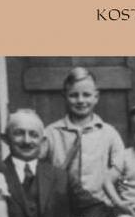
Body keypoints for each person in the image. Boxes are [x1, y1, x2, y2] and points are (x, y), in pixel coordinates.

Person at [44, 66, 124, 203]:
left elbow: (120, 167)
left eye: (86, 95)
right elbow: (38, 167)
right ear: (65, 96)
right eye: (73, 95)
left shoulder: (109, 133)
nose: (80, 100)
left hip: (99, 204)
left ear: (96, 97)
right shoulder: (51, 133)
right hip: (61, 205)